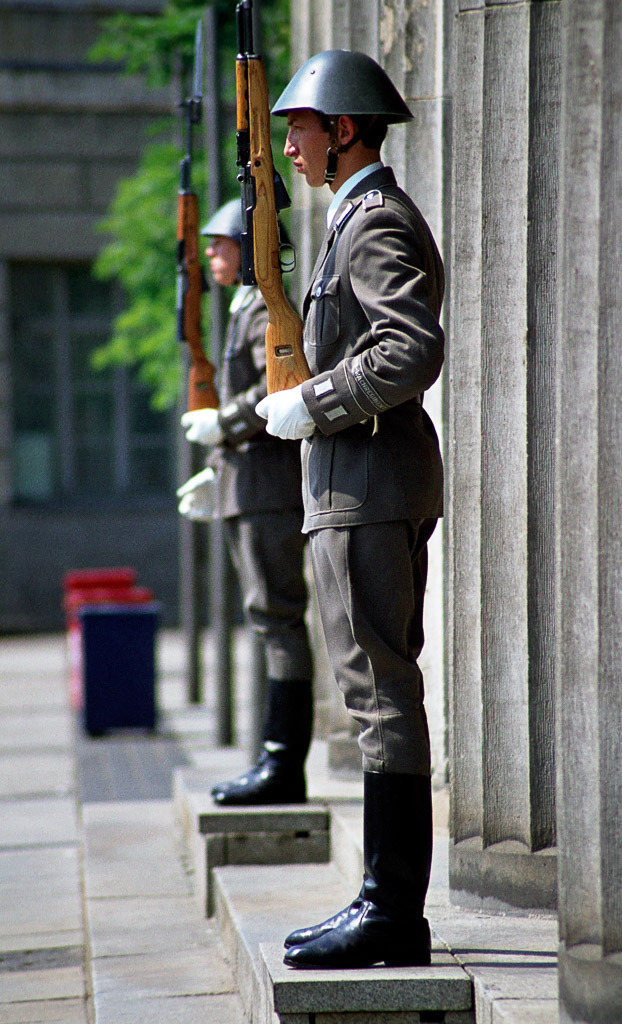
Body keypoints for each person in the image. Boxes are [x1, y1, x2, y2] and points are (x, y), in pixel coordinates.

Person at [254, 50, 445, 969]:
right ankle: (381, 902)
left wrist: (316, 401)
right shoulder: (351, 219)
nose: (288, 144)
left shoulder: (372, 222)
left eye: (299, 127)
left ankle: (390, 912)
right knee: (376, 692)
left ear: (342, 131)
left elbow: (409, 350)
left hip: (367, 486)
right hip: (356, 486)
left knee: (380, 695)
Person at [179, 198, 314, 806]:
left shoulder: (262, 306)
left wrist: (223, 427)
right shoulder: (242, 306)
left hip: (267, 490)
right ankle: (273, 758)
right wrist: (218, 470)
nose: (210, 255)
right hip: (249, 486)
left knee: (277, 620)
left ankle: (283, 764)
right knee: (269, 621)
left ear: (245, 245)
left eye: (219, 244)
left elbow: (271, 388)